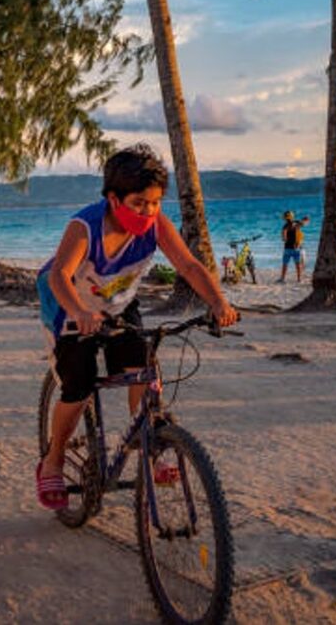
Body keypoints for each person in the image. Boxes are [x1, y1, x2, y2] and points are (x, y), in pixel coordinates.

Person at [34, 144, 239, 511]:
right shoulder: (85, 226)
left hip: (118, 306)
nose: (149, 211)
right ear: (114, 199)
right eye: (139, 203)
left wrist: (218, 302)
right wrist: (80, 311)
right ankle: (53, 458)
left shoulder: (156, 225)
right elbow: (60, 277)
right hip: (69, 308)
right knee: (77, 386)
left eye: (156, 202)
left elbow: (189, 266)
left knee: (143, 370)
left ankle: (151, 444)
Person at [278, 210, 309, 283]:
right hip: (296, 248)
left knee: (285, 264)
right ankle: (299, 279)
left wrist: (285, 238)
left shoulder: (285, 226)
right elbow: (305, 223)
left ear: (285, 218)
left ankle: (282, 279)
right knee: (297, 264)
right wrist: (305, 219)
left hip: (288, 248)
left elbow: (284, 238)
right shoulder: (297, 223)